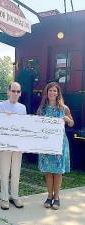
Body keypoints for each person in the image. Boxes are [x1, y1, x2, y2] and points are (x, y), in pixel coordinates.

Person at [37, 82, 74, 210]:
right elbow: (37, 126)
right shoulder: (42, 109)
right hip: (46, 144)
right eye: (50, 90)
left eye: (54, 91)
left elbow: (71, 123)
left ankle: (57, 197)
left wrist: (67, 119)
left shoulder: (64, 108)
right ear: (46, 93)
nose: (52, 93)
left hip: (60, 144)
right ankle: (49, 196)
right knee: (48, 171)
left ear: (58, 93)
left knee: (58, 172)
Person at [0, 82, 27, 210]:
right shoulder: (1, 105)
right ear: (8, 92)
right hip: (4, 144)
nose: (15, 94)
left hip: (17, 145)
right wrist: (5, 118)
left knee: (16, 171)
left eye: (18, 91)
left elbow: (24, 126)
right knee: (4, 171)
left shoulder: (22, 108)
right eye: (13, 91)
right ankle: (4, 198)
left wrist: (24, 144)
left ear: (20, 93)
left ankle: (14, 196)